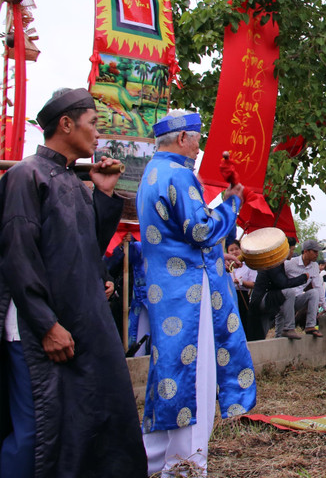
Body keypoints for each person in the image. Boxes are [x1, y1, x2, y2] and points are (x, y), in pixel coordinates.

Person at [0, 88, 147, 478]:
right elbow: (18, 256)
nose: (98, 135)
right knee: (35, 432)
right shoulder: (25, 175)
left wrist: (103, 193)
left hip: (73, 326)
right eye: (93, 124)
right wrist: (46, 325)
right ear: (66, 124)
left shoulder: (73, 182)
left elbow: (86, 250)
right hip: (35, 330)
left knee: (74, 428)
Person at [137, 110, 256, 477]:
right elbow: (201, 231)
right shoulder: (180, 174)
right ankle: (187, 465)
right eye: (197, 136)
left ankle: (152, 459)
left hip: (166, 290)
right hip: (190, 291)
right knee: (196, 374)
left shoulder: (152, 172)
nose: (200, 143)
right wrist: (232, 205)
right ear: (182, 138)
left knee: (170, 370)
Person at [105, 231, 149, 354]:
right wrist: (121, 245)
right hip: (123, 297)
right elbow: (107, 266)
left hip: (148, 297)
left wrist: (136, 240)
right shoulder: (118, 235)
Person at [280, 239, 326, 339]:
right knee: (279, 334)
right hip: (285, 299)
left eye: (317, 252)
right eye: (314, 251)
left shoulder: (314, 266)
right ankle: (289, 328)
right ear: (305, 251)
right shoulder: (290, 263)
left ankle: (310, 326)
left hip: (298, 299)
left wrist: (325, 307)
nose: (317, 254)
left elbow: (318, 286)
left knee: (314, 293)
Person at [225, 241, 262, 341]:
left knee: (243, 319)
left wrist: (241, 282)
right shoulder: (225, 266)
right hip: (229, 296)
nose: (234, 252)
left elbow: (254, 284)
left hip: (242, 296)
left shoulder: (249, 265)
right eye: (231, 250)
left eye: (236, 249)